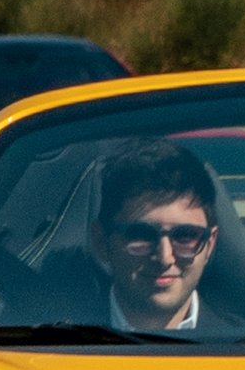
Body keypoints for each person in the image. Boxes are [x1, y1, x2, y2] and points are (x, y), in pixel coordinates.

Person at [86, 141, 222, 334]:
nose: (165, 258)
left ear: (210, 244)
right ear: (102, 242)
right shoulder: (45, 344)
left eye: (184, 236)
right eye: (141, 235)